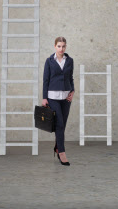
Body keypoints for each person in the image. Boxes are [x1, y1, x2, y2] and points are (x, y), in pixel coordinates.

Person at [42, 37, 75, 166]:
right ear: (55, 46)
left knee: (62, 125)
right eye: (59, 46)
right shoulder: (49, 61)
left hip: (66, 98)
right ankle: (61, 152)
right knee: (59, 124)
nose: (62, 49)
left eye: (64, 46)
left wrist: (72, 91)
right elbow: (45, 80)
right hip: (53, 97)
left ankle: (57, 147)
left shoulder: (70, 61)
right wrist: (44, 98)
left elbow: (70, 78)